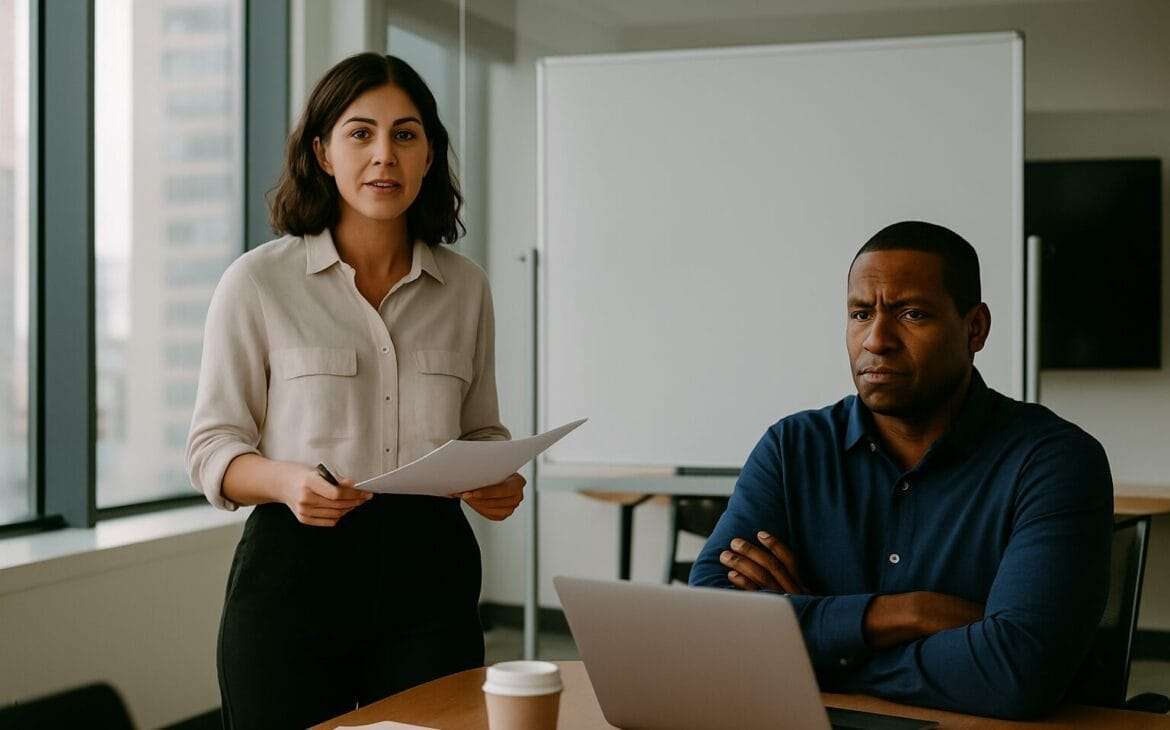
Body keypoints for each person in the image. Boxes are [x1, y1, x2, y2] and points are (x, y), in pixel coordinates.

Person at [186, 53, 524, 728]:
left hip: (432, 576)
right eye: (360, 133)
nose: (383, 157)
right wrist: (286, 481)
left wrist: (498, 477)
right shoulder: (257, 283)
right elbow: (212, 447)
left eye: (405, 134)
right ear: (322, 152)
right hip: (294, 574)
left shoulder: (465, 287)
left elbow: (483, 428)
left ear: (429, 155)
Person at [689, 221, 1113, 720]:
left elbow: (1016, 671)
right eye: (860, 313)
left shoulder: (1054, 460)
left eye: (912, 314)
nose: (877, 339)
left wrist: (817, 644)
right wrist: (907, 613)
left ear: (974, 328)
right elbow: (710, 627)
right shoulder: (792, 447)